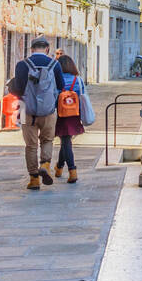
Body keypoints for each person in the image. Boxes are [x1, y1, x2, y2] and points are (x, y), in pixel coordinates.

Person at [8, 38, 65, 190]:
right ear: (47, 49)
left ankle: (34, 179)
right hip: (48, 110)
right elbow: (61, 86)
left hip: (26, 109)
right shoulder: (55, 64)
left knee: (31, 145)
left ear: (31, 49)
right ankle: (45, 165)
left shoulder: (21, 65)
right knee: (47, 140)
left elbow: (19, 89)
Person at [54, 54, 85, 184]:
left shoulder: (56, 80)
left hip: (61, 114)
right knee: (65, 141)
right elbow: (82, 96)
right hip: (74, 114)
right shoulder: (78, 80)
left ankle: (72, 171)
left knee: (66, 141)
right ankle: (59, 167)